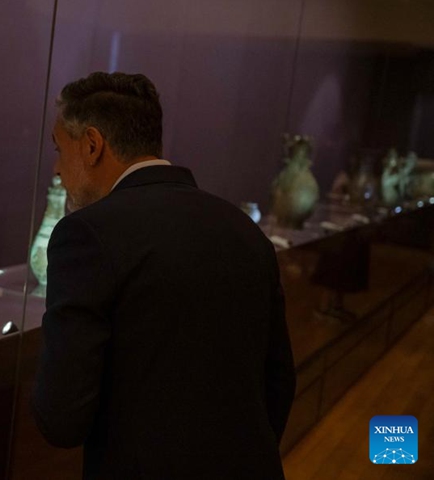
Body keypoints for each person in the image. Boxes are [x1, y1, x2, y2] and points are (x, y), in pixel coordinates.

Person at [31, 72, 296, 479]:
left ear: (91, 145)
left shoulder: (86, 233)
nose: (56, 169)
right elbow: (278, 381)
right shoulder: (243, 229)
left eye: (58, 149)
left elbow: (62, 417)